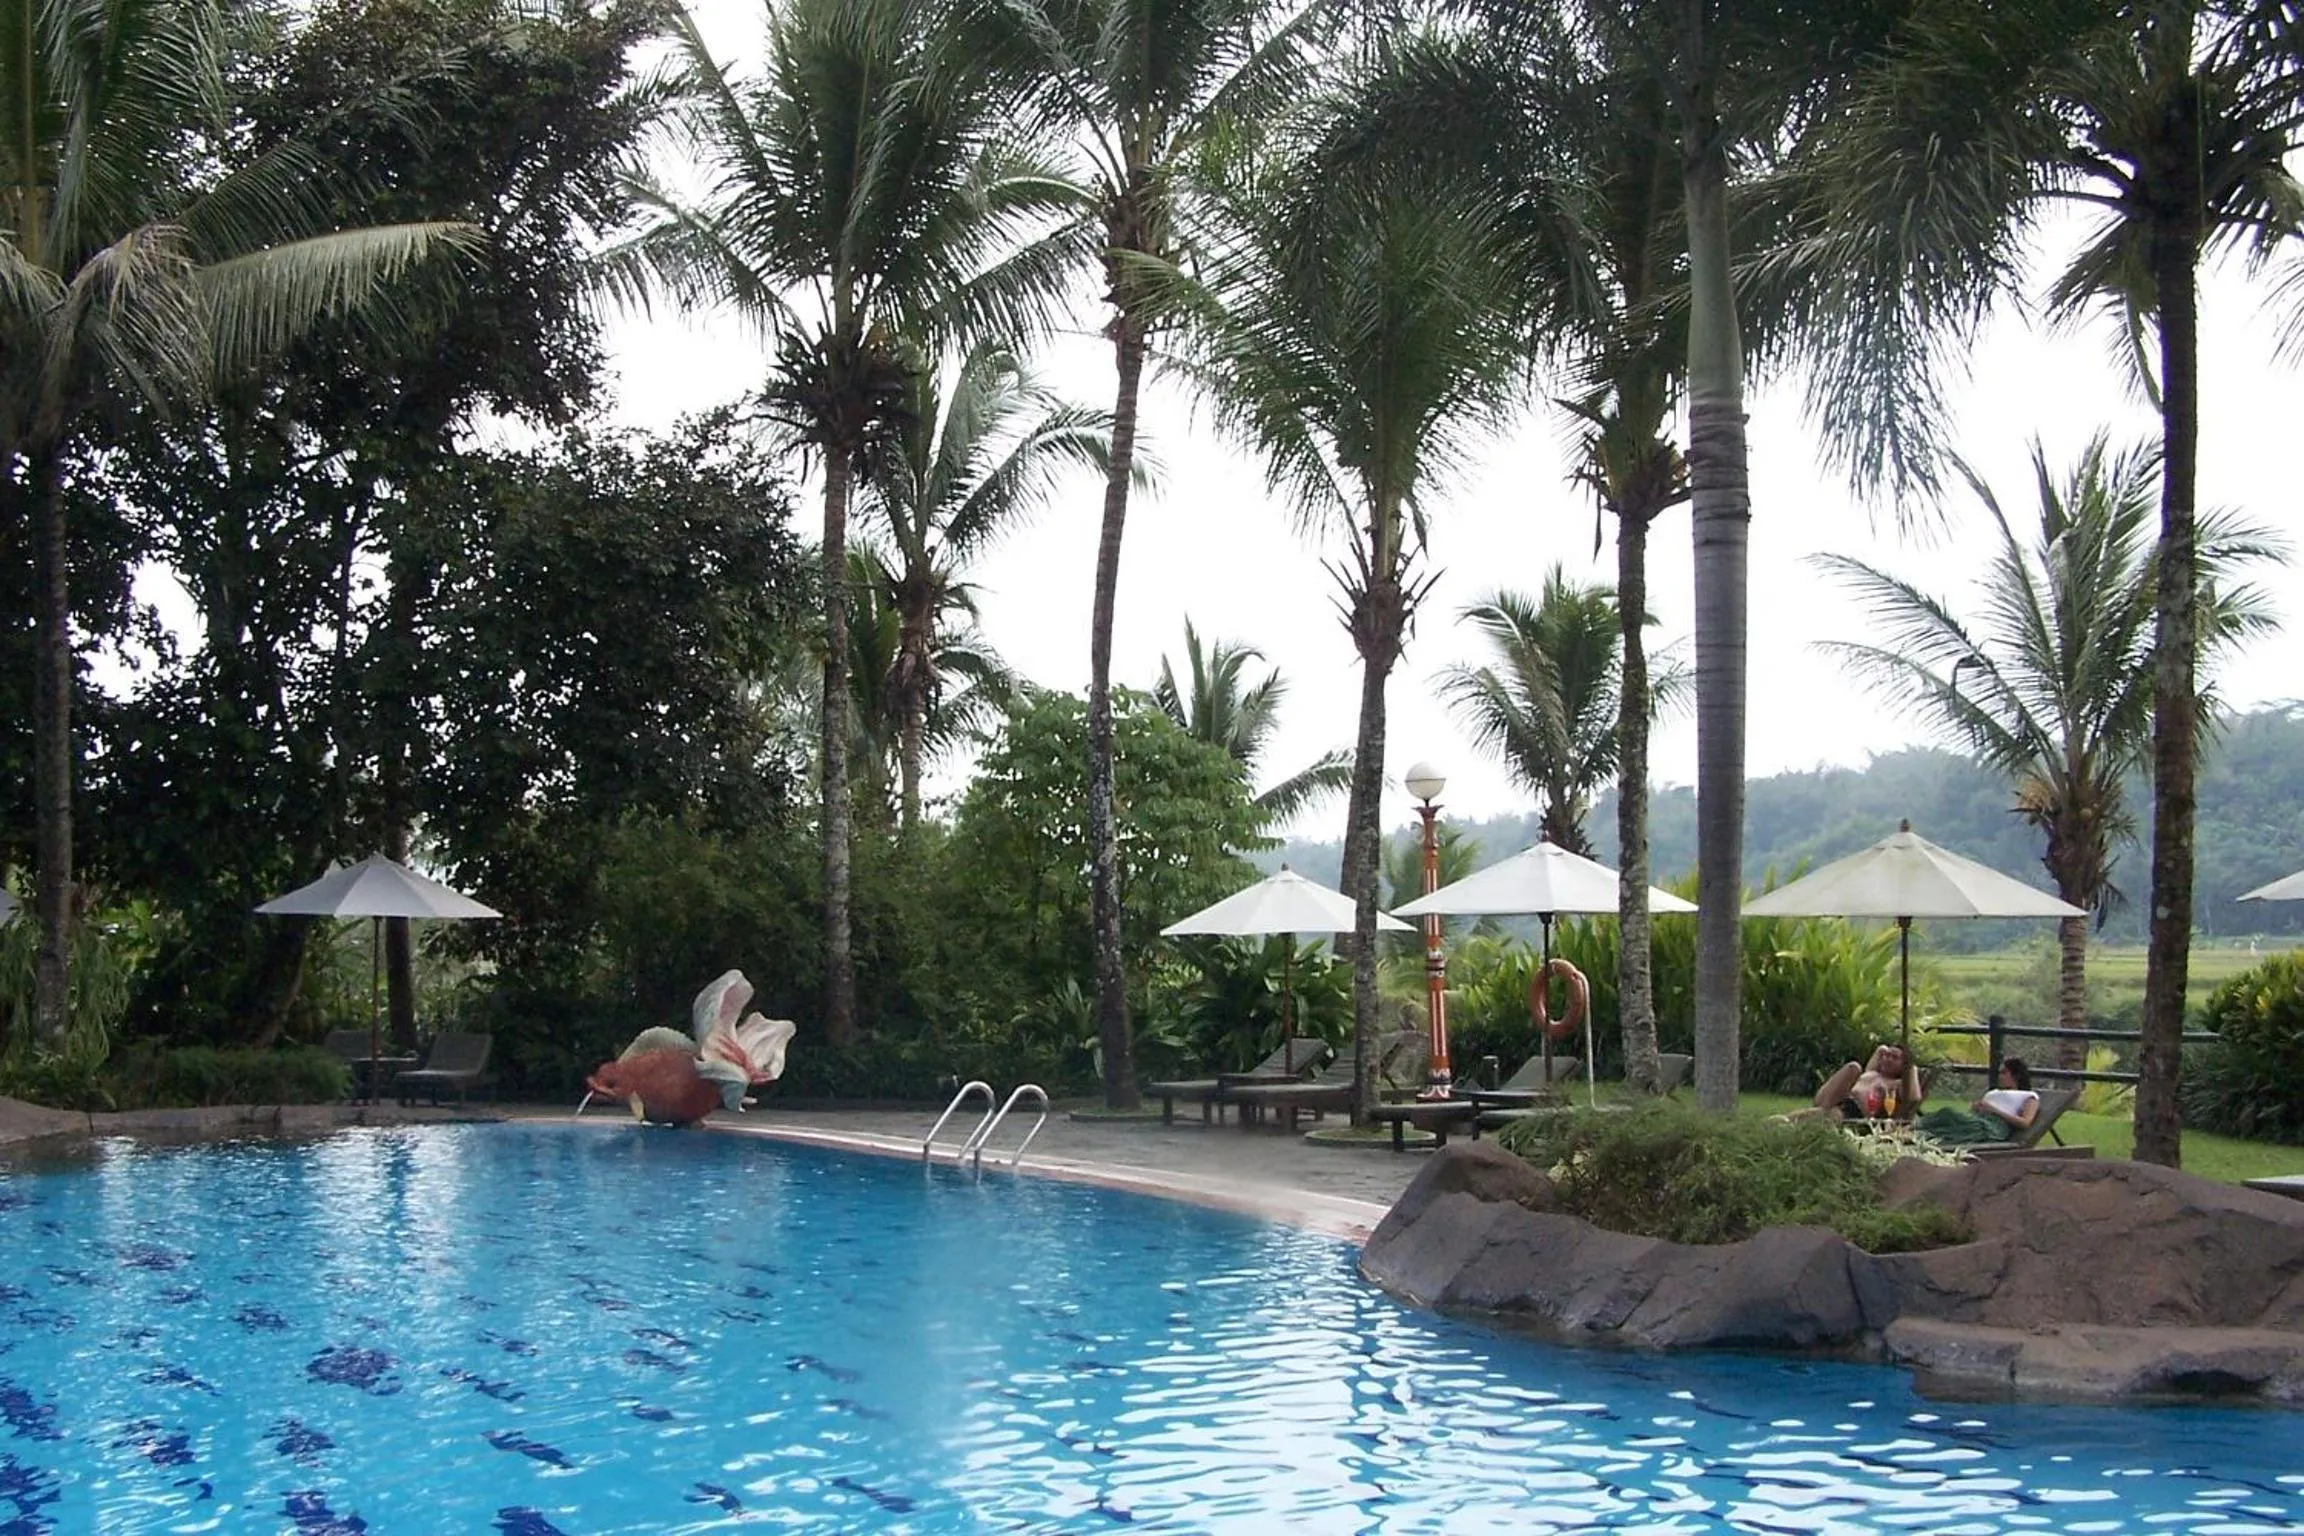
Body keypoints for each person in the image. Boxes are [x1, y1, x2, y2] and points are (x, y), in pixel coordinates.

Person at [1916, 1057, 2039, 1146]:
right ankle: (1913, 1132)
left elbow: (2025, 1123)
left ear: (2016, 1075)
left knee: (1948, 1114)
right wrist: (1976, 1107)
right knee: (1946, 1115)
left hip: (1992, 1128)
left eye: (2004, 1073)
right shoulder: (1995, 1092)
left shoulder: (2028, 1096)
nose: (2000, 1076)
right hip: (1978, 1119)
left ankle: (1912, 1132)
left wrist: (1993, 1110)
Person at [1812, 1044, 1923, 1122]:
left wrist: (1912, 1068)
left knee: (1811, 1116)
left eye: (1895, 1057)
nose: (1888, 1059)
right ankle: (1822, 1112)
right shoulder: (1871, 1072)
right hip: (1837, 1099)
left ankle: (1822, 1113)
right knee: (1853, 1067)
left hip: (1852, 1111)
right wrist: (1884, 1050)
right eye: (1887, 1055)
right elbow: (1880, 1049)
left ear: (1904, 1065)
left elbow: (1914, 1098)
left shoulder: (1896, 1084)